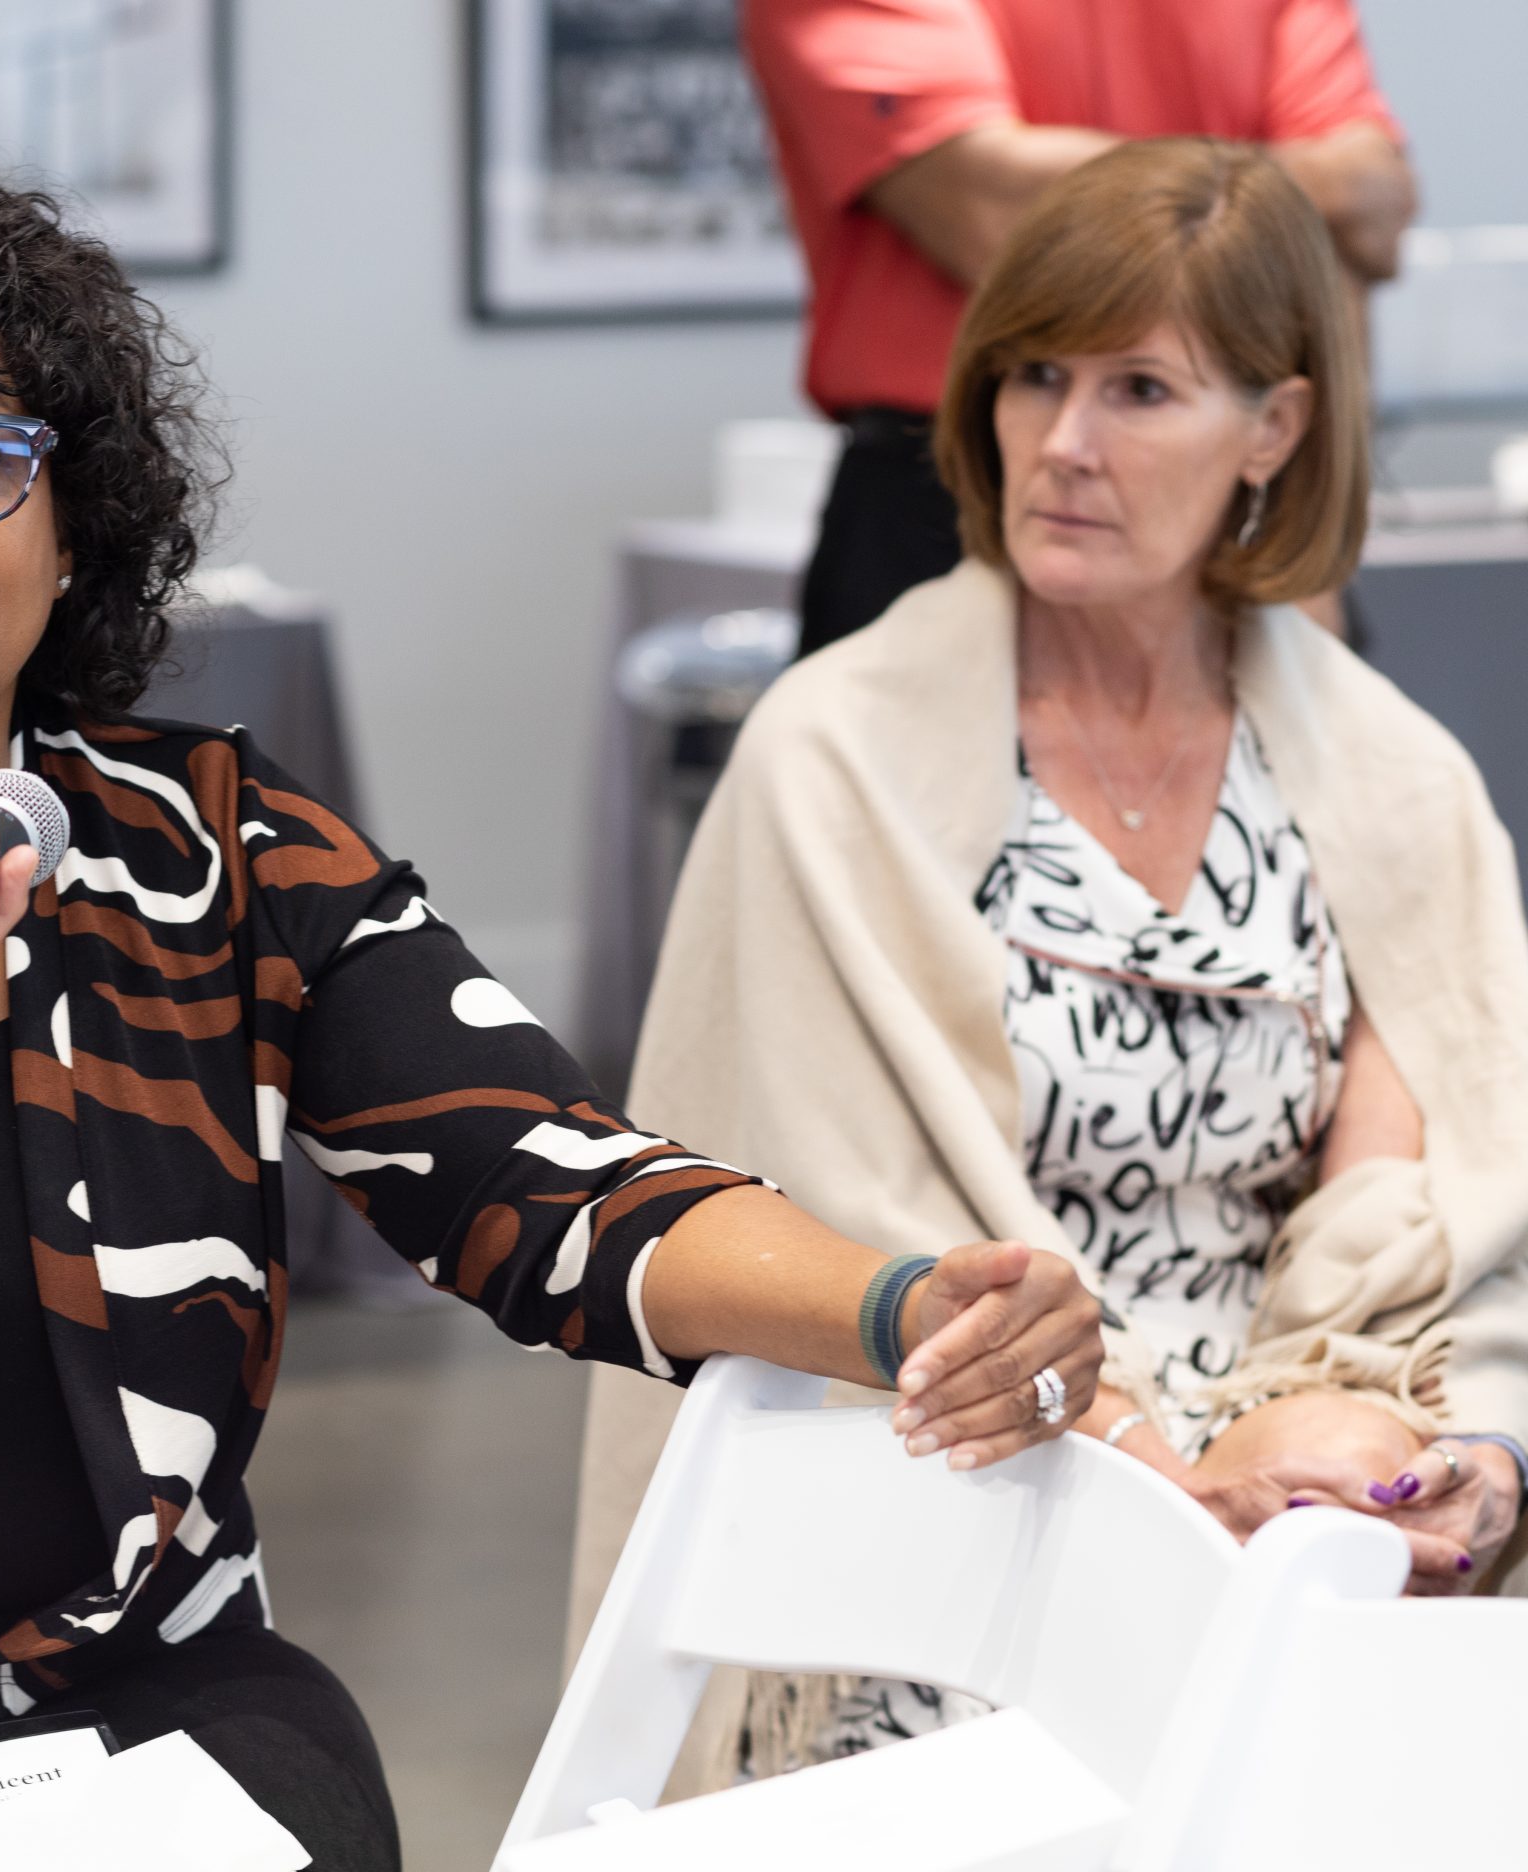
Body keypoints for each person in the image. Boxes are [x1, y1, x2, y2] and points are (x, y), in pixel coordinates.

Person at [0, 167, 1105, 1869]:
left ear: (73, 512)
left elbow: (555, 1184)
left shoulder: (215, 851)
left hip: (108, 1684)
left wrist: (898, 1306)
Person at [575, 138, 1528, 1784]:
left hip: (1303, 1472)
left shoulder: (1389, 778)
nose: (1064, 444)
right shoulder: (836, 759)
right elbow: (843, 1250)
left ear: (1276, 430)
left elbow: (1432, 1222)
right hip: (955, 1483)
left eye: (1141, 391)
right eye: (1032, 379)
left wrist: (1436, 1454)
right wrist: (1179, 1487)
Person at [741, 0, 1415, 658]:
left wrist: (1311, 545)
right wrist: (1287, 193)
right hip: (949, 493)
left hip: (1231, 487)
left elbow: (1367, 211)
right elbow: (989, 209)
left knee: (1296, 757)